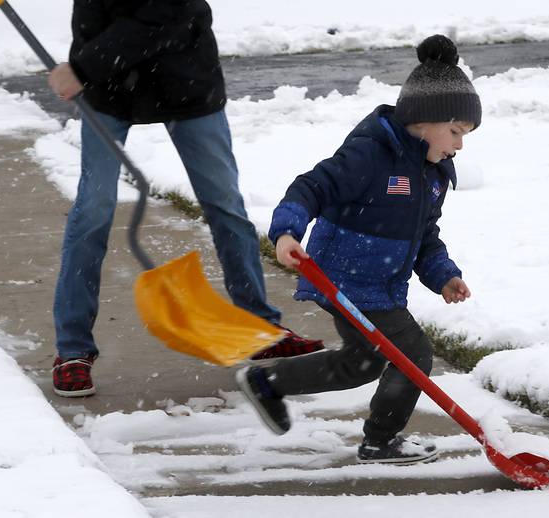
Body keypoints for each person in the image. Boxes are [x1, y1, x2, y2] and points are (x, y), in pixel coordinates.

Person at [48, 0, 323, 398]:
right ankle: (72, 351)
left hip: (186, 82)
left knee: (225, 205)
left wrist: (84, 66)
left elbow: (166, 15)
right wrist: (86, 67)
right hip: (109, 89)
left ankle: (261, 326)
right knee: (93, 210)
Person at [236, 35, 480, 465]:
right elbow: (311, 186)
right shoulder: (371, 154)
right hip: (345, 277)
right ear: (425, 119)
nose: (459, 145)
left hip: (379, 283)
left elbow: (425, 236)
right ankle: (380, 441)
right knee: (413, 356)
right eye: (456, 131)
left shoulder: (433, 173)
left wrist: (443, 274)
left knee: (362, 362)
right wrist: (287, 233)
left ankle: (268, 382)